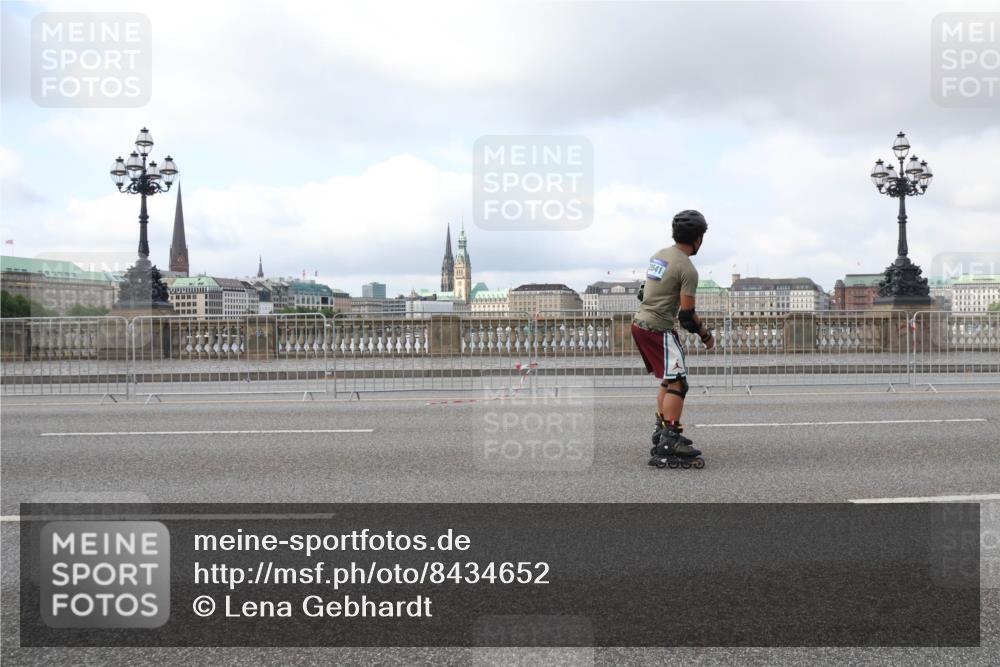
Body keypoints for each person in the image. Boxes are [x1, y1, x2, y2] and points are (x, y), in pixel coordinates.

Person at [631, 210, 714, 467]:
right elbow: (687, 316)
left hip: (639, 323)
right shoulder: (687, 268)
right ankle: (670, 439)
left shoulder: (659, 256)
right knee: (679, 382)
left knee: (668, 379)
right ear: (698, 238)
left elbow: (644, 292)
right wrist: (706, 335)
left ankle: (662, 428)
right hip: (658, 327)